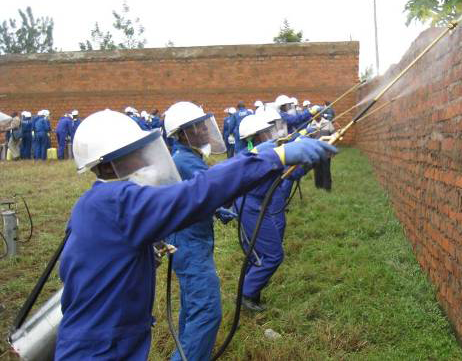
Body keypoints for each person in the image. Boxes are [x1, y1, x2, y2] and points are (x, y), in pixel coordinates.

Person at [55, 109, 337, 360]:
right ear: (109, 163)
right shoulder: (118, 201)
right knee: (205, 310)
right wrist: (274, 156)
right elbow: (198, 192)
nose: (144, 158)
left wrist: (139, 255)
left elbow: (91, 261)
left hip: (108, 338)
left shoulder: (95, 203)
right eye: (136, 152)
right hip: (101, 348)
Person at [162, 101, 232, 361]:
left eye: (204, 125)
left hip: (189, 240)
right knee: (207, 311)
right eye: (199, 127)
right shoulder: (187, 162)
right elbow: (215, 186)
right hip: (190, 245)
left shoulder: (187, 158)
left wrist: (215, 210)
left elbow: (194, 197)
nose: (205, 130)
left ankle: (184, 352)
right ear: (183, 133)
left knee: (192, 306)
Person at [234, 111, 310, 312]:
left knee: (259, 252)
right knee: (272, 255)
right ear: (255, 136)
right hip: (251, 207)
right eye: (265, 132)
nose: (269, 135)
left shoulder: (258, 152)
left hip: (258, 204)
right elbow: (283, 166)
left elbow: (289, 173)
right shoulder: (255, 155)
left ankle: (251, 292)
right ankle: (247, 294)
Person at [308, 112, 336, 191]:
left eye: (317, 113)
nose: (316, 115)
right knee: (317, 170)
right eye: (314, 114)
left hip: (326, 151)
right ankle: (318, 186)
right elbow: (308, 139)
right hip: (315, 152)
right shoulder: (310, 125)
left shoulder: (328, 123)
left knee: (326, 170)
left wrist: (333, 149)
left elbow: (334, 135)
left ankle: (327, 187)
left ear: (320, 114)